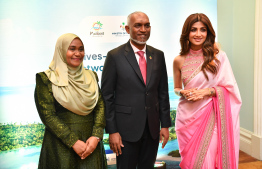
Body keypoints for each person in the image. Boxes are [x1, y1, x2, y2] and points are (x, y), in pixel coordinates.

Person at [101, 11, 171, 169]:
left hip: (152, 130)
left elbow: (162, 93)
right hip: (125, 131)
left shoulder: (158, 55)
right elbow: (107, 96)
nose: (143, 29)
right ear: (127, 29)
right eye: (137, 25)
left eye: (147, 25)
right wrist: (112, 131)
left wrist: (165, 125)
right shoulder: (114, 56)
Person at [173, 13, 242, 169]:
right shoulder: (179, 59)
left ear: (208, 32)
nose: (198, 34)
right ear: (186, 33)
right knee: (191, 163)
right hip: (186, 118)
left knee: (208, 159)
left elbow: (231, 89)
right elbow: (177, 88)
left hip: (211, 115)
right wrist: (181, 92)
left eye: (203, 30)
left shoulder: (218, 57)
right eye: (193, 30)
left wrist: (207, 92)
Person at [34, 33, 107, 169]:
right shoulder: (46, 79)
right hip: (61, 146)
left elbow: (100, 106)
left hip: (90, 144)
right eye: (72, 49)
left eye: (81, 49)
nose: (77, 53)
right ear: (61, 51)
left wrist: (96, 136)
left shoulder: (91, 76)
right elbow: (48, 115)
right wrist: (72, 141)